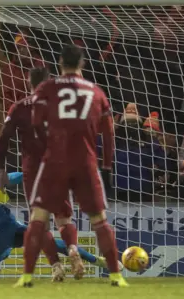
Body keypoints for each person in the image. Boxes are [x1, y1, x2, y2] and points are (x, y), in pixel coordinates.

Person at [15, 44, 125, 288]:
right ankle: (89, 259)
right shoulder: (91, 92)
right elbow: (108, 133)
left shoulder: (38, 96)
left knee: (39, 219)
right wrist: (107, 167)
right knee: (84, 219)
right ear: (82, 64)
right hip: (80, 160)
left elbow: (27, 131)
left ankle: (44, 270)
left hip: (46, 165)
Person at [0, 67, 71, 281]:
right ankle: (73, 249)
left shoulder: (19, 107)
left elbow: (4, 138)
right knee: (63, 218)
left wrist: (1, 168)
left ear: (29, 83)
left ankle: (56, 265)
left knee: (40, 221)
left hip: (34, 171)